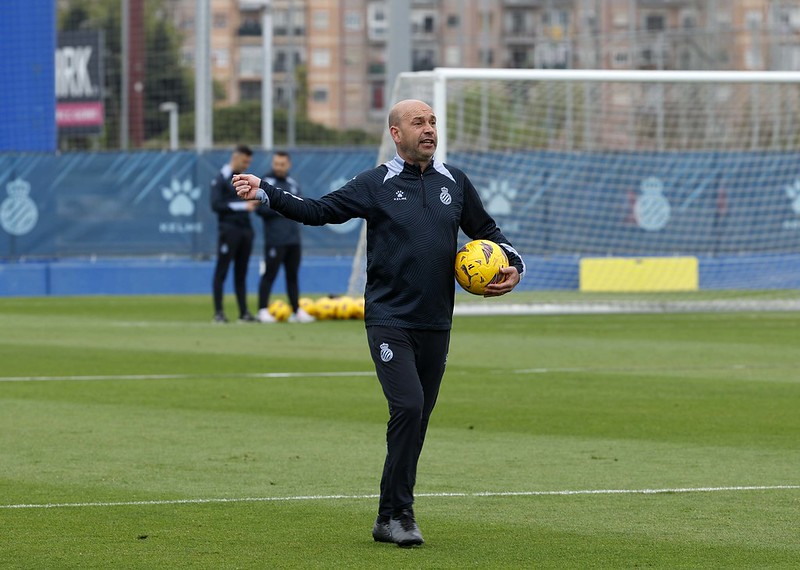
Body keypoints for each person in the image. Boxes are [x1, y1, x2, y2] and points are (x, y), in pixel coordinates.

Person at [233, 99, 524, 546]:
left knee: (418, 419)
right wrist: (267, 191)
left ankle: (387, 517)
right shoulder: (376, 184)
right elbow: (319, 210)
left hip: (436, 323)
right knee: (407, 406)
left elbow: (489, 233)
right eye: (418, 123)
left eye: (432, 122)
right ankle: (402, 515)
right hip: (389, 320)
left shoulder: (455, 183)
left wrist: (514, 265)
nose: (429, 129)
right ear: (395, 133)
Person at [255, 151, 315, 324]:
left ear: (288, 165)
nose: (279, 167)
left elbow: (299, 206)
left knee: (292, 275)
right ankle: (262, 309)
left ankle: (296, 310)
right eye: (276, 164)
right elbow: (260, 209)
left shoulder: (292, 184)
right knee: (270, 273)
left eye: (282, 164)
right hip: (275, 238)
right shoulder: (265, 183)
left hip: (293, 238)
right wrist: (284, 208)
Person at [210, 144, 257, 324]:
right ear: (235, 157)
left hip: (245, 230)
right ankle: (219, 312)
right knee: (222, 271)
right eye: (244, 161)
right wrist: (243, 207)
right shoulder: (221, 178)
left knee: (241, 272)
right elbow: (215, 205)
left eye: (249, 162)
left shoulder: (243, 178)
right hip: (229, 230)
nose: (246, 165)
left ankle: (243, 312)